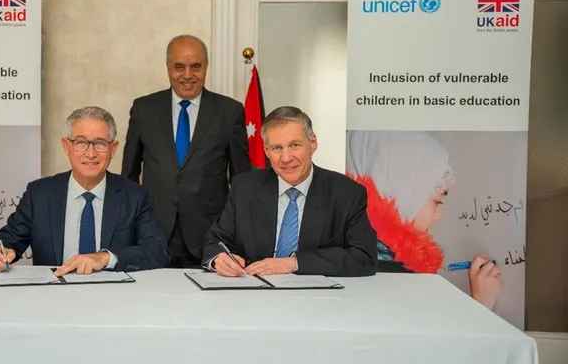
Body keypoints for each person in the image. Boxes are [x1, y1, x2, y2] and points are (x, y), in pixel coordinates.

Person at [0, 106, 170, 275]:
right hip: (52, 296)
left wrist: (104, 258)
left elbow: (158, 251)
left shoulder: (134, 196)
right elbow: (7, 242)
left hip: (113, 297)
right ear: (66, 146)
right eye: (81, 142)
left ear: (113, 149)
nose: (90, 153)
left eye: (100, 143)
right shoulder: (39, 194)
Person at [122, 34, 251, 268]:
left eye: (196, 66)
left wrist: (236, 231)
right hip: (153, 233)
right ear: (168, 67)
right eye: (179, 67)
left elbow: (241, 180)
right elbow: (128, 177)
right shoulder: (143, 109)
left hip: (210, 237)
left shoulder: (229, 111)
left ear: (206, 67)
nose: (188, 75)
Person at [202, 106, 377, 277]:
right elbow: (214, 243)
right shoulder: (244, 188)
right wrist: (218, 259)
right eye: (277, 148)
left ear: (313, 143)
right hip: (255, 291)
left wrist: (294, 263)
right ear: (266, 151)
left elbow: (364, 257)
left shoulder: (346, 193)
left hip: (317, 294)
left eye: (294, 145)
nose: (286, 158)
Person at [345, 130, 502, 309]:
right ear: (404, 192)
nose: (439, 215)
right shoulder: (387, 276)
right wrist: (481, 304)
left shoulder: (351, 251)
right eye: (437, 201)